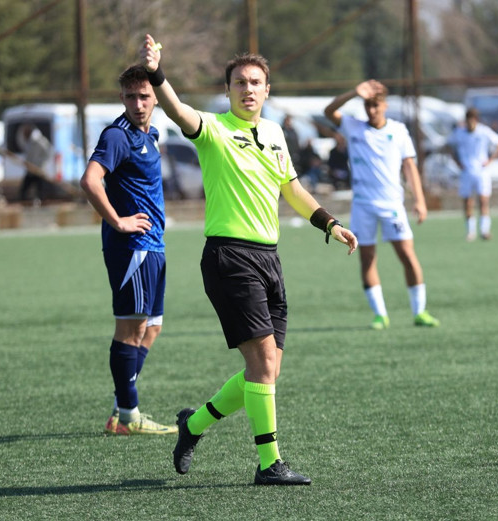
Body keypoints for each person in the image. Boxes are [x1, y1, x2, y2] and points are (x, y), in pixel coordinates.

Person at [140, 34, 357, 486]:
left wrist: (330, 223)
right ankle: (269, 463)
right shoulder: (212, 129)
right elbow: (178, 111)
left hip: (269, 259)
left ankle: (193, 425)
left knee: (267, 369)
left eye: (256, 82)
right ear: (228, 90)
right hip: (229, 257)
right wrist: (158, 73)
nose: (248, 89)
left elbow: (292, 190)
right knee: (261, 362)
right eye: (240, 82)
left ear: (267, 90)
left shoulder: (276, 133)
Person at [80, 65, 178, 437]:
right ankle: (128, 415)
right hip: (132, 246)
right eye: (131, 97)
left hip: (153, 246)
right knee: (132, 329)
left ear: (155, 99)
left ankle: (122, 407)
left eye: (145, 96)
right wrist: (119, 221)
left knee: (152, 328)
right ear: (121, 98)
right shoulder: (118, 136)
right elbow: (90, 180)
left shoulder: (150, 133)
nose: (138, 103)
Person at [324, 80, 440, 330]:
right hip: (363, 206)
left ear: (385, 105)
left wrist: (419, 200)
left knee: (407, 256)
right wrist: (354, 92)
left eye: (375, 105)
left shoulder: (398, 131)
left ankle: (420, 312)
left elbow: (409, 166)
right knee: (366, 258)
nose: (371, 110)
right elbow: (328, 111)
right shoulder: (353, 127)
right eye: (367, 105)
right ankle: (380, 315)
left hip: (392, 205)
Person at [447, 108, 498, 241]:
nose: (469, 124)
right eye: (467, 121)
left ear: (476, 120)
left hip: (482, 172)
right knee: (468, 202)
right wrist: (457, 161)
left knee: (483, 200)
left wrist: (490, 160)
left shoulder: (484, 131)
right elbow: (448, 145)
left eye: (472, 121)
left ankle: (484, 230)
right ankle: (470, 232)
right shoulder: (459, 132)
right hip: (466, 171)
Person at [18, 124, 52, 204]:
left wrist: (40, 164)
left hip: (38, 169)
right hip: (31, 169)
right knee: (24, 189)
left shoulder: (39, 141)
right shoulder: (29, 141)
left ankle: (42, 203)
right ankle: (25, 203)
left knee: (41, 189)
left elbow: (48, 153)